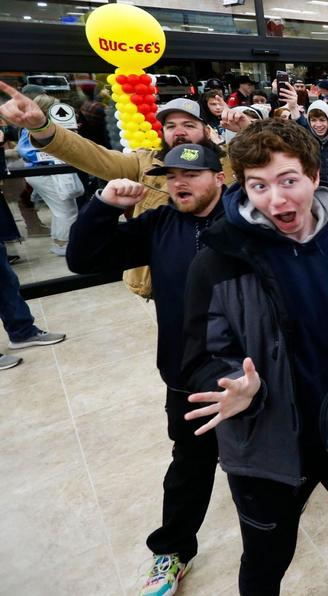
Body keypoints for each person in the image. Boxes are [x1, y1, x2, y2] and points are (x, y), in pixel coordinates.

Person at [180, 119, 328, 594]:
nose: (275, 200)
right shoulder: (217, 261)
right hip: (267, 443)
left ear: (315, 177)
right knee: (267, 556)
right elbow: (195, 358)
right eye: (258, 185)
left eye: (288, 180)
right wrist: (234, 383)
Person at [66, 143, 226, 594]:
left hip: (249, 374)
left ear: (219, 177)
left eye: (192, 174)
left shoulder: (244, 221)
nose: (179, 183)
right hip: (186, 377)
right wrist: (101, 208)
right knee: (190, 468)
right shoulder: (158, 224)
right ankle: (172, 552)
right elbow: (83, 260)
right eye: (171, 175)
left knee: (270, 466)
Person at [0, 84, 242, 297]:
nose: (178, 131)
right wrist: (44, 128)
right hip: (167, 281)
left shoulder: (232, 161)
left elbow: (273, 156)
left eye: (188, 124)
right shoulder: (144, 163)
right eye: (170, 125)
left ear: (206, 130)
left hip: (228, 277)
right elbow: (92, 155)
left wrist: (249, 127)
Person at [18, 98, 83, 256]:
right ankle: (65, 244)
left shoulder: (38, 125)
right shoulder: (35, 127)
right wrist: (56, 150)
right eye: (55, 106)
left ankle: (60, 241)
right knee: (67, 209)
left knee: (60, 208)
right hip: (44, 172)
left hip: (44, 172)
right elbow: (27, 151)